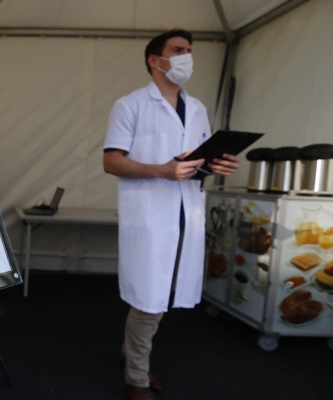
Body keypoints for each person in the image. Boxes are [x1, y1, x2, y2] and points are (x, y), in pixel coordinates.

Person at [102, 29, 239, 400]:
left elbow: (196, 162)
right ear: (154, 60)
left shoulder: (198, 109)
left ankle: (132, 352)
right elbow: (111, 161)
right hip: (151, 214)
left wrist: (217, 165)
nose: (186, 57)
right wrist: (162, 170)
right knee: (149, 298)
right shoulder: (130, 105)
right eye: (178, 50)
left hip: (186, 213)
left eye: (189, 50)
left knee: (162, 294)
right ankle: (136, 376)